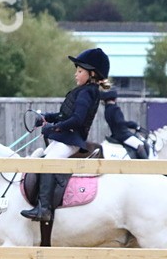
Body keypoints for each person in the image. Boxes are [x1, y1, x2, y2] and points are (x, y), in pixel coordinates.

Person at [21, 47, 109, 223]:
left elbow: (77, 120)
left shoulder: (87, 92)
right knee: (41, 158)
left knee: (48, 163)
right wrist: (46, 118)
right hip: (65, 138)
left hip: (71, 140)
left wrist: (54, 128)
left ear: (92, 74)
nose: (76, 74)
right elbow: (64, 115)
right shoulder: (83, 90)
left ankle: (44, 209)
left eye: (80, 71)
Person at [101, 89, 147, 158]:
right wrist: (134, 125)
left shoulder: (107, 110)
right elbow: (120, 122)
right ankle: (146, 163)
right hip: (123, 135)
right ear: (115, 99)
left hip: (115, 135)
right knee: (140, 145)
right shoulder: (115, 109)